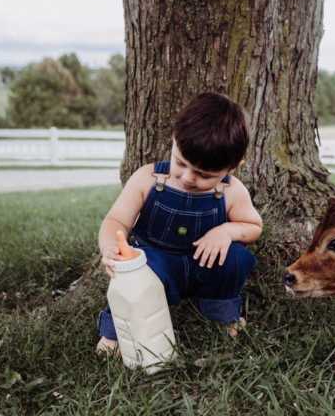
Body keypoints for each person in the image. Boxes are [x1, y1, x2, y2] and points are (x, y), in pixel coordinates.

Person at [96, 92, 262, 354]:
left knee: (236, 258)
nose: (187, 177)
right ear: (174, 141)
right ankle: (115, 332)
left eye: (204, 175)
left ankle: (221, 314)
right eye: (181, 163)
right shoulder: (148, 178)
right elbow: (116, 220)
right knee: (134, 274)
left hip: (204, 263)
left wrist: (227, 231)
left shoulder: (232, 191)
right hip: (157, 262)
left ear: (232, 167)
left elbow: (254, 226)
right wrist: (110, 248)